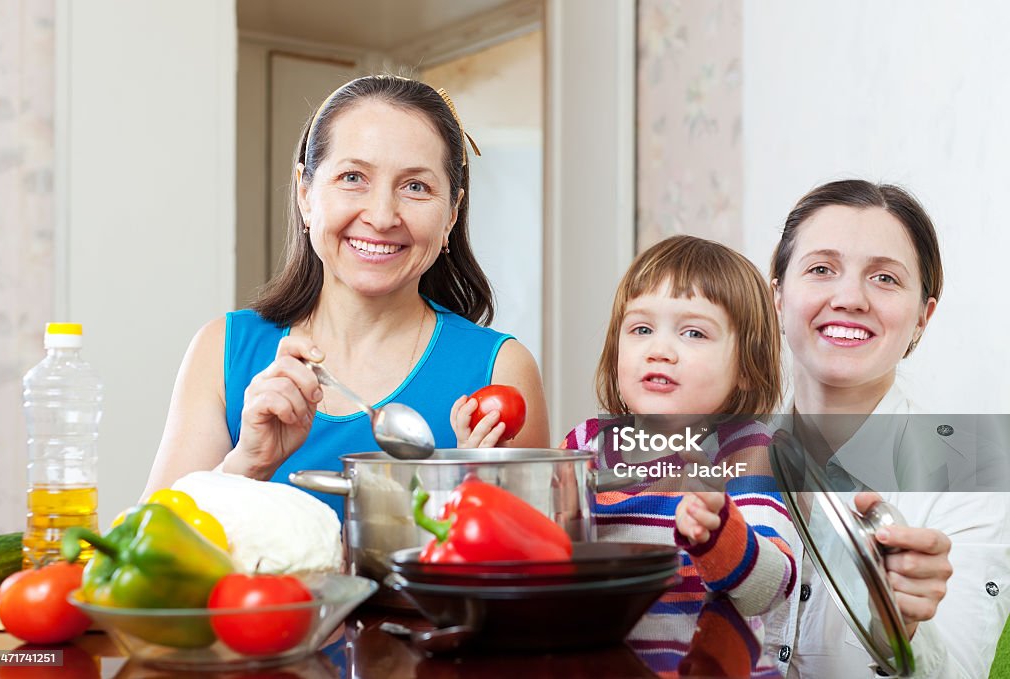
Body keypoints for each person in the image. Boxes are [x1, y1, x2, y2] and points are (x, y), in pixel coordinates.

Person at [143, 75, 549, 516]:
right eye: (353, 177)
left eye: (416, 186)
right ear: (305, 194)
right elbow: (145, 560)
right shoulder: (223, 349)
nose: (380, 216)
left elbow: (535, 568)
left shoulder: (499, 371)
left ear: (451, 214)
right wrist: (248, 464)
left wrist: (475, 493)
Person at [768, 179, 1010, 678]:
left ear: (923, 317)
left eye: (885, 278)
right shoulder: (714, 451)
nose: (851, 298)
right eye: (820, 269)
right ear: (778, 297)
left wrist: (904, 633)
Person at [554, 235, 797, 618]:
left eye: (693, 333)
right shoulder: (586, 444)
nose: (659, 350)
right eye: (641, 330)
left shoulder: (748, 451)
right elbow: (549, 566)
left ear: (747, 369)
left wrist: (720, 533)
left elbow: (767, 591)